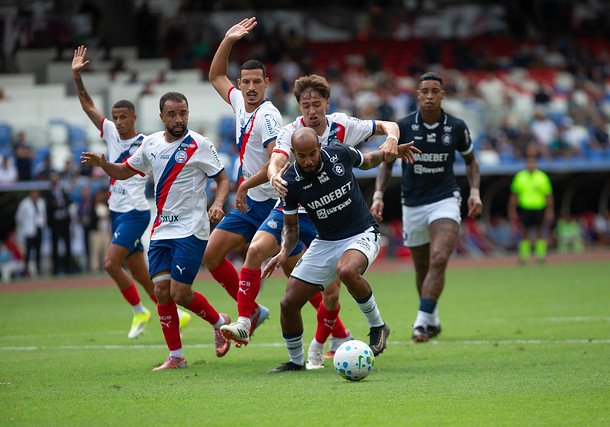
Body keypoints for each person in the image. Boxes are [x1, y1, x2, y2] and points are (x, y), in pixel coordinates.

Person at [222, 73, 403, 366]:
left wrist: (391, 145)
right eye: (305, 105)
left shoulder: (340, 142)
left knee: (341, 279)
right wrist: (275, 178)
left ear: (327, 104)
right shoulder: (291, 159)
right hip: (314, 225)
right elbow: (276, 162)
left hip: (356, 230)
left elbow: (374, 150)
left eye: (316, 104)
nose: (311, 110)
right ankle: (289, 355)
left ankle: (372, 328)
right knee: (286, 297)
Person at [81, 91, 232, 371]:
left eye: (183, 113)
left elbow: (223, 180)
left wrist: (218, 203)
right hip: (162, 229)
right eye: (172, 114)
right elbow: (124, 171)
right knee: (162, 291)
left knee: (180, 293)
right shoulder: (150, 144)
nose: (178, 119)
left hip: (191, 229)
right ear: (161, 116)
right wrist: (104, 165)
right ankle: (176, 356)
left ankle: (219, 322)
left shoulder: (199, 144)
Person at [263, 128, 418, 373]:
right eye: (302, 156)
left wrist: (393, 153)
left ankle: (378, 326)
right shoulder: (289, 182)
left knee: (346, 271)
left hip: (362, 232)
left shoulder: (339, 153)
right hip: (325, 242)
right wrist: (283, 252)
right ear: (293, 153)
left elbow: (368, 161)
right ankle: (295, 361)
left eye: (312, 154)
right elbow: (291, 227)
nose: (308, 160)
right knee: (288, 302)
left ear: (319, 147)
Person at [71, 45, 191, 338]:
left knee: (110, 263)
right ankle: (175, 314)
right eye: (115, 117)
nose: (118, 122)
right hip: (117, 211)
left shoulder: (146, 142)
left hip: (136, 212)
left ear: (134, 117)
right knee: (139, 272)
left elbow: (147, 166)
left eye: (123, 117)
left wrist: (106, 164)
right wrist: (76, 75)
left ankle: (139, 311)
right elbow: (88, 105)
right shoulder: (110, 133)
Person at [370, 72, 483, 344]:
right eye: (425, 91)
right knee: (422, 268)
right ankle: (432, 319)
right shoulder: (403, 126)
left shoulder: (456, 127)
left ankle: (420, 323)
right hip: (413, 203)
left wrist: (475, 192)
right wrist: (378, 195)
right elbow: (386, 163)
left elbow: (471, 161)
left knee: (439, 258)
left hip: (445, 199)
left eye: (435, 91)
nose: (430, 96)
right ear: (418, 95)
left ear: (443, 95)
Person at [203, 17, 281, 348]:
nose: (250, 87)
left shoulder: (268, 116)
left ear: (266, 83)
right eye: (245, 82)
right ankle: (252, 312)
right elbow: (215, 76)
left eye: (256, 82)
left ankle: (339, 335)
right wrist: (228, 39)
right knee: (211, 255)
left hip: (274, 203)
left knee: (298, 279)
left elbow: (276, 161)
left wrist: (245, 186)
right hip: (250, 204)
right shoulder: (238, 103)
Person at [508, 153, 554, 265]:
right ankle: (524, 257)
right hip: (525, 207)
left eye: (533, 162)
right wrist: (512, 209)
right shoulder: (520, 176)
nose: (531, 165)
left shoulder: (542, 177)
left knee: (539, 231)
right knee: (525, 231)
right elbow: (514, 194)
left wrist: (550, 210)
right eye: (529, 162)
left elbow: (548, 195)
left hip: (539, 207)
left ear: (536, 164)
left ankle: (540, 256)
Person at [45, 173, 73, 275]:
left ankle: (68, 267)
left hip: (65, 221)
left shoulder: (63, 190)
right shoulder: (48, 193)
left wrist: (61, 204)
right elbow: (49, 206)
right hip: (55, 223)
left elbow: (69, 201)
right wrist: (57, 205)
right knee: (55, 246)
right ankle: (55, 268)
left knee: (67, 244)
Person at [14, 190, 46, 276]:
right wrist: (20, 230)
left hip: (39, 229)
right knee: (28, 251)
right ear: (30, 193)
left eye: (36, 192)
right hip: (29, 230)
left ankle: (38, 269)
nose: (35, 194)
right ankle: (26, 270)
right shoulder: (24, 203)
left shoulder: (41, 202)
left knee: (38, 251)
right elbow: (18, 218)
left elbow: (43, 215)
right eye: (33, 192)